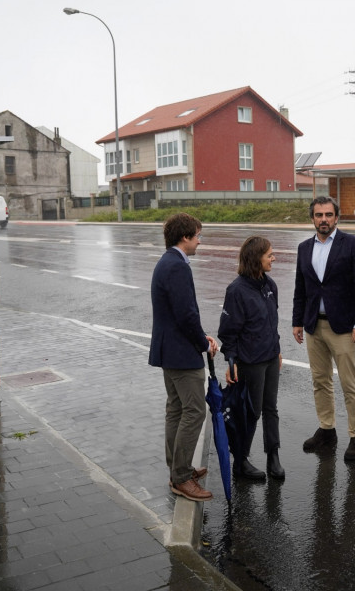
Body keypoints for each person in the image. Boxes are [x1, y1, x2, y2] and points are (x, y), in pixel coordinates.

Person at [292, 196, 355, 461]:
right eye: (318, 215)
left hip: (344, 328)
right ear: (312, 218)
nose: (323, 219)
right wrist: (297, 321)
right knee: (320, 381)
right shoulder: (304, 248)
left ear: (336, 217)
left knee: (350, 383)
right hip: (314, 325)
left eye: (328, 215)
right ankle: (327, 430)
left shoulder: (351, 244)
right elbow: (300, 288)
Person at [149, 213, 218, 502]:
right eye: (198, 236)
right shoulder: (177, 266)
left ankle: (178, 469)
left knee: (176, 410)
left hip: (169, 350)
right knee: (194, 411)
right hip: (181, 352)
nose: (199, 241)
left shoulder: (167, 261)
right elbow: (186, 314)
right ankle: (180, 478)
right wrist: (203, 342)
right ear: (185, 237)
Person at [218, 236, 284, 481]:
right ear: (257, 258)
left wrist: (277, 349)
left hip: (269, 357)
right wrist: (232, 362)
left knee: (271, 408)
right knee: (251, 412)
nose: (273, 258)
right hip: (250, 361)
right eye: (269, 255)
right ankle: (241, 461)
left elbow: (272, 322)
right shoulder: (236, 290)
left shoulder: (270, 286)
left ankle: (273, 455)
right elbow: (228, 332)